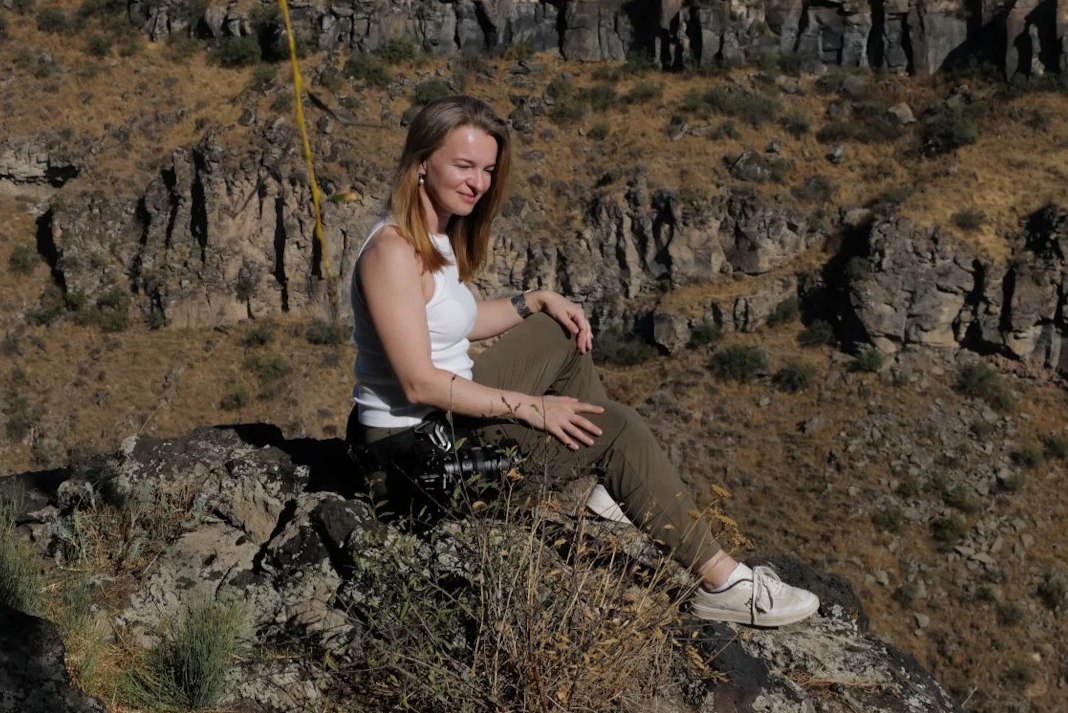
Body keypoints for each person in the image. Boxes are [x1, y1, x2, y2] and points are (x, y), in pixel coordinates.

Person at [346, 95, 819, 627]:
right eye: (463, 166)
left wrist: (535, 300)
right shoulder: (392, 251)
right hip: (413, 465)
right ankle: (724, 583)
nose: (477, 183)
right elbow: (417, 382)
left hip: (446, 422)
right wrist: (531, 408)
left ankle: (614, 486)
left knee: (559, 333)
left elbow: (450, 321)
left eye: (487, 169)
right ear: (422, 162)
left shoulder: (433, 233)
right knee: (615, 429)